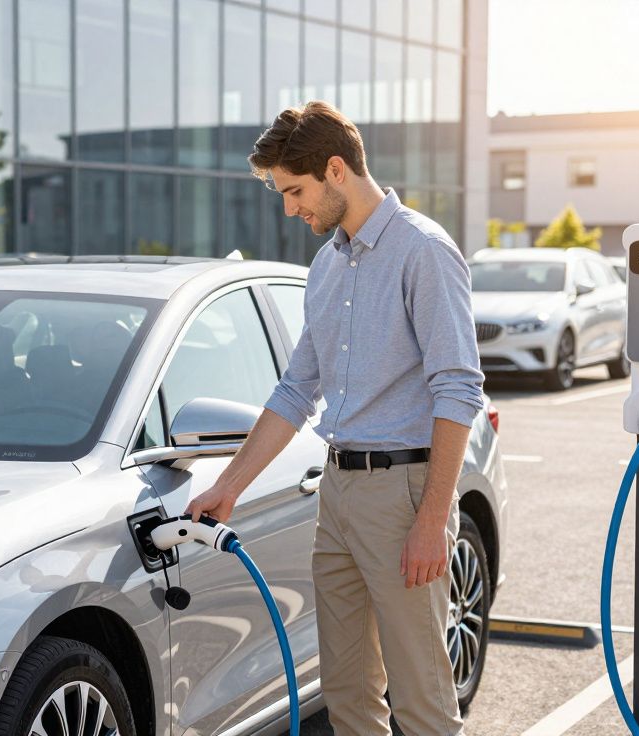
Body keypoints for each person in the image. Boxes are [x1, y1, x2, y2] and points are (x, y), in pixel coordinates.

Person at [184, 100, 483, 736]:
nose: (291, 209)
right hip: (337, 493)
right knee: (347, 696)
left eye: (295, 191)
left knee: (423, 702)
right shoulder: (327, 266)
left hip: (405, 496)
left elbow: (459, 389)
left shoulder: (423, 251)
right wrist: (227, 487)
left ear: (336, 170)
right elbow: (296, 390)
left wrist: (434, 518)